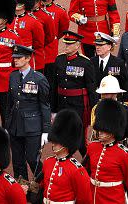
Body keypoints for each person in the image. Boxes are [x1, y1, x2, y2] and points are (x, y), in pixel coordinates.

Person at [6, 44, 51, 182]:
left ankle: (43, 186)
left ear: (27, 59)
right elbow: (9, 103)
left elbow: (44, 105)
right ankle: (22, 189)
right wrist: (8, 123)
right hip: (15, 125)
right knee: (18, 162)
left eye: (19, 58)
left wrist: (46, 130)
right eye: (15, 58)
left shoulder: (39, 78)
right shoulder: (13, 76)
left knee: (33, 159)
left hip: (33, 126)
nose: (16, 60)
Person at [50, 30, 97, 156]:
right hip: (62, 105)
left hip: (79, 106)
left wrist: (94, 111)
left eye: (70, 44)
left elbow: (91, 88)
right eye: (66, 44)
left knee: (81, 141)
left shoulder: (86, 63)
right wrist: (53, 110)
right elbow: (54, 86)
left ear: (77, 45)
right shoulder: (59, 60)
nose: (67, 47)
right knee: (62, 138)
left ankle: (89, 163)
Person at [86, 98, 128, 203]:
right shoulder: (93, 147)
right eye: (99, 129)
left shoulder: (124, 154)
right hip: (93, 197)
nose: (99, 132)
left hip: (113, 198)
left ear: (112, 131)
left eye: (103, 130)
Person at [43, 109, 92, 204]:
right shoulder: (48, 162)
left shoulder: (77, 170)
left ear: (66, 144)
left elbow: (85, 200)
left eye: (56, 142)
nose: (53, 144)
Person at [92, 75, 128, 153]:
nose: (103, 96)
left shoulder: (127, 111)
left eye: (106, 93)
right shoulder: (97, 109)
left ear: (115, 94)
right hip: (102, 150)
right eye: (102, 93)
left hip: (120, 151)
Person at [7, 0, 45, 69]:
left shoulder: (34, 22)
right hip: (8, 62)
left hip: (26, 62)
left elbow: (38, 44)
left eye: (20, 2)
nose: (17, 5)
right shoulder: (6, 20)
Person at [36, 0, 70, 64]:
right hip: (36, 55)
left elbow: (62, 31)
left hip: (51, 54)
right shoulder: (33, 9)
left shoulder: (60, 11)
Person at [23, 0, 56, 73]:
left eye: (36, 1)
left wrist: (36, 45)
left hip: (36, 58)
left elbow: (50, 37)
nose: (34, 4)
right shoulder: (21, 15)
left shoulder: (46, 17)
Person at [91, 32, 128, 96]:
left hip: (113, 99)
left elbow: (125, 83)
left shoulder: (118, 63)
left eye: (100, 45)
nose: (97, 47)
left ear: (109, 47)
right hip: (96, 99)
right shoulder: (91, 61)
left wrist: (125, 100)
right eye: (96, 45)